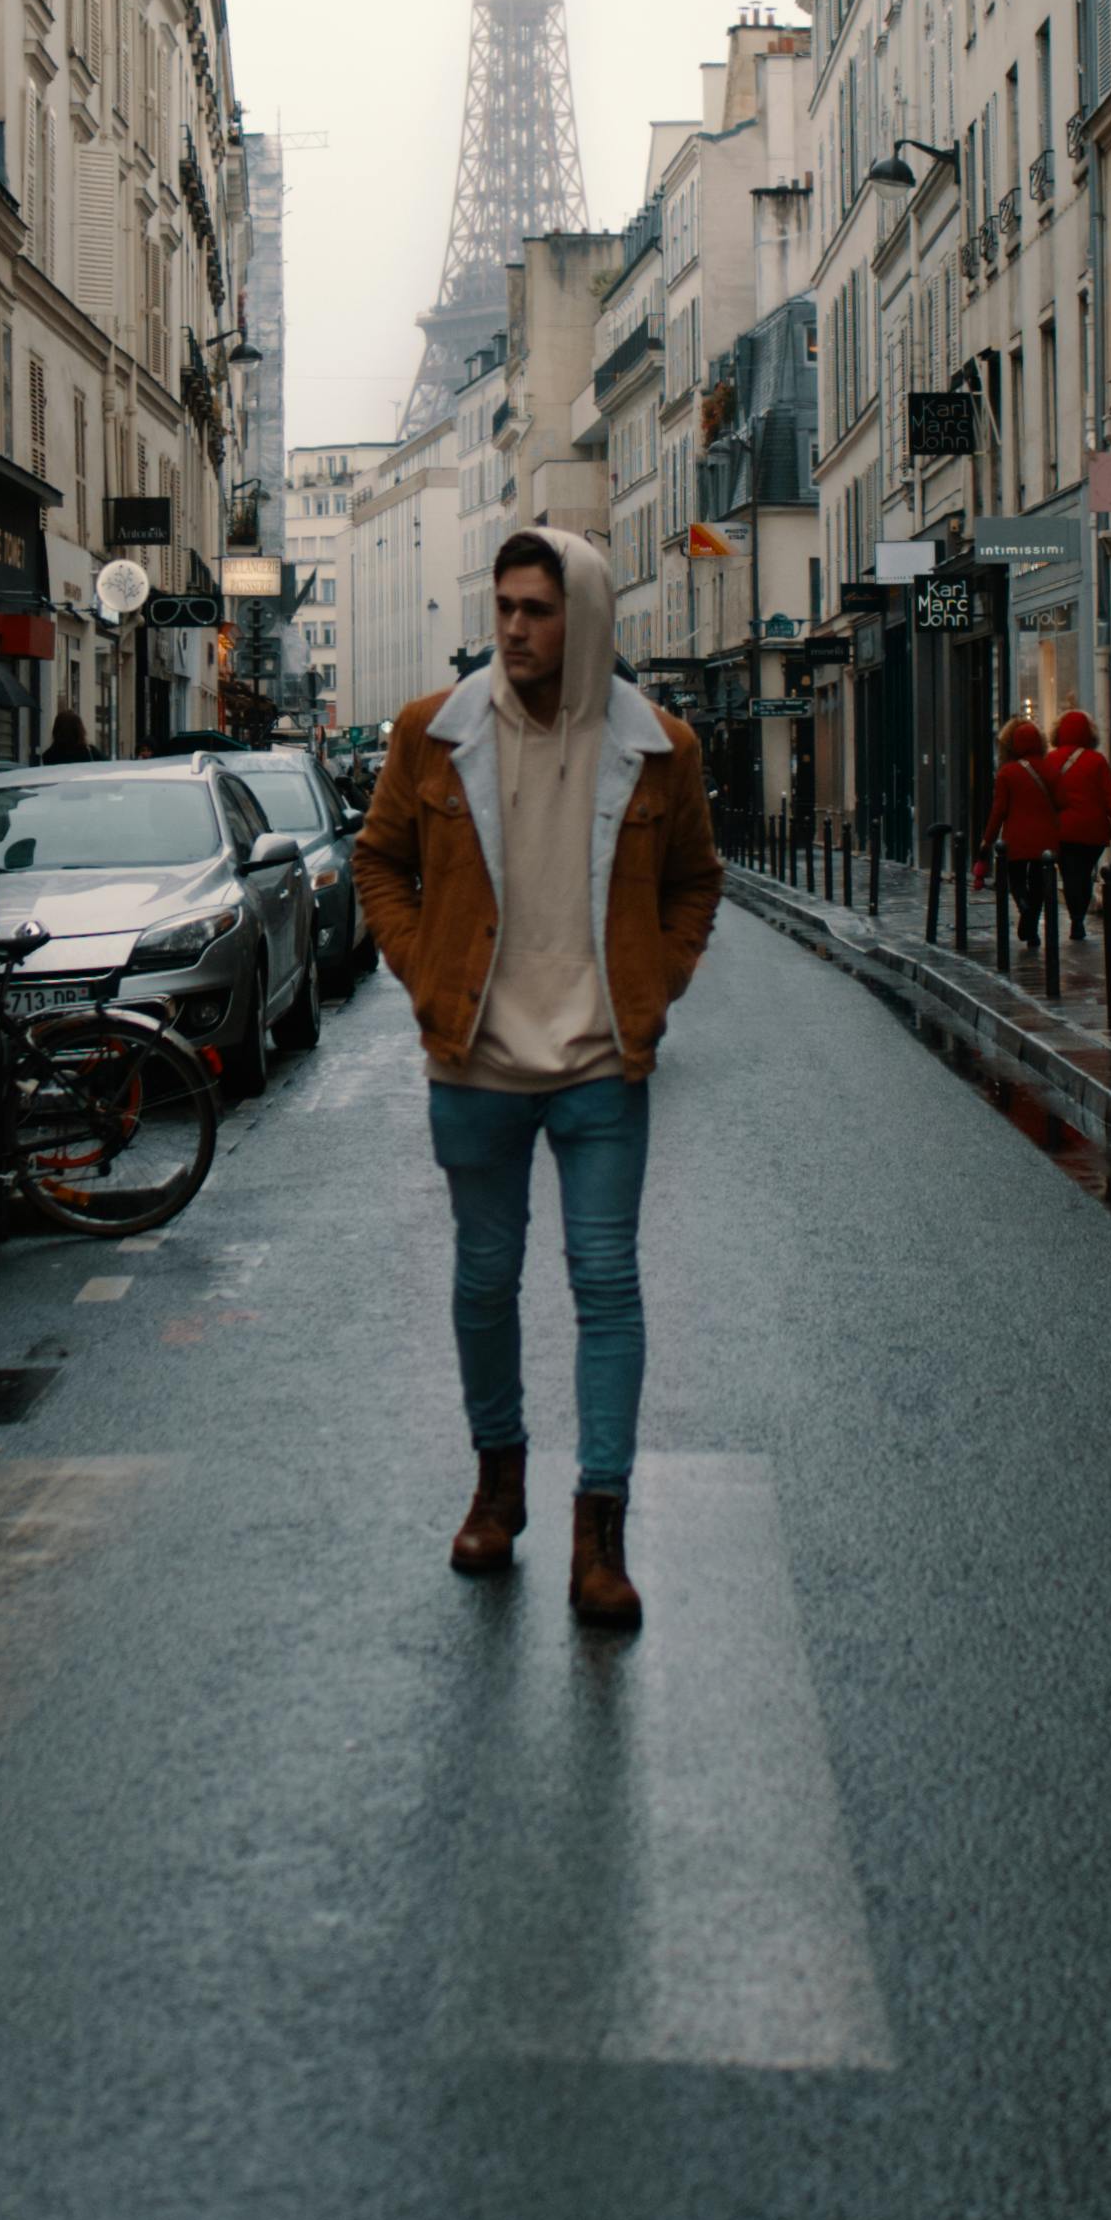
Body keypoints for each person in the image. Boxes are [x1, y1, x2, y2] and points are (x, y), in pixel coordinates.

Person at [353, 526, 721, 1635]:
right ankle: (497, 1482)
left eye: (537, 609)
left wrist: (655, 985)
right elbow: (379, 859)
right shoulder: (434, 733)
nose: (512, 626)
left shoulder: (661, 746)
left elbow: (698, 877)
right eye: (505, 607)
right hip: (475, 1058)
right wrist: (424, 973)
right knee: (484, 1279)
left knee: (606, 1284)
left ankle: (598, 1526)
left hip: (604, 1060)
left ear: (588, 617)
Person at [979, 715, 1061, 954]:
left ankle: (1023, 907)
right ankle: (1032, 927)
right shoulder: (1050, 769)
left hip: (1016, 839)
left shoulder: (1007, 773)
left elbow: (998, 811)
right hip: (1045, 839)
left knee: (1016, 880)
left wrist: (987, 840)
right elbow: (1061, 802)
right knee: (1039, 885)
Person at [1045, 708, 1111, 935]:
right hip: (1093, 831)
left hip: (1062, 829)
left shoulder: (1051, 760)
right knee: (1083, 872)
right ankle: (1079, 914)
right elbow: (1110, 796)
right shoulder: (1097, 761)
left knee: (1069, 873)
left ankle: (1076, 917)